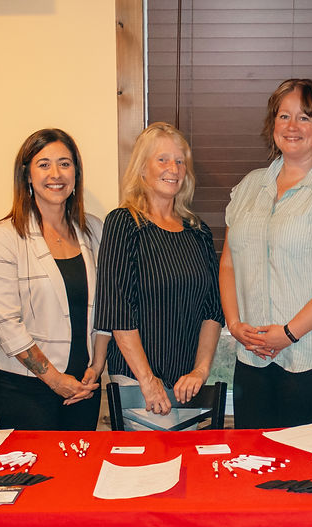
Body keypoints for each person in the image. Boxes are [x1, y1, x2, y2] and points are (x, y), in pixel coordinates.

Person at [220, 78, 312, 429]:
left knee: (300, 466)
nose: (292, 126)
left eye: (304, 117)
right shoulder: (248, 187)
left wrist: (288, 333)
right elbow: (228, 262)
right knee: (253, 456)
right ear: (272, 123)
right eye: (283, 116)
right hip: (253, 351)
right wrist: (234, 324)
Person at [94, 122, 224, 419]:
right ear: (142, 168)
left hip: (188, 386)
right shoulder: (123, 223)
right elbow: (118, 312)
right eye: (163, 159)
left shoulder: (199, 231)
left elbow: (213, 311)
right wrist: (148, 382)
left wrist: (199, 372)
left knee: (188, 466)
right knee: (152, 465)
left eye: (180, 161)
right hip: (137, 385)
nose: (174, 169)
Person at [0, 128, 110, 430]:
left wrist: (97, 366)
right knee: (35, 478)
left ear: (76, 173)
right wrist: (54, 379)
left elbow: (108, 304)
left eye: (65, 163)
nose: (56, 174)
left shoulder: (94, 230)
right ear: (27, 174)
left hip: (84, 387)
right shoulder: (5, 235)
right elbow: (6, 323)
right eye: (44, 164)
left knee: (80, 475)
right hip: (26, 390)